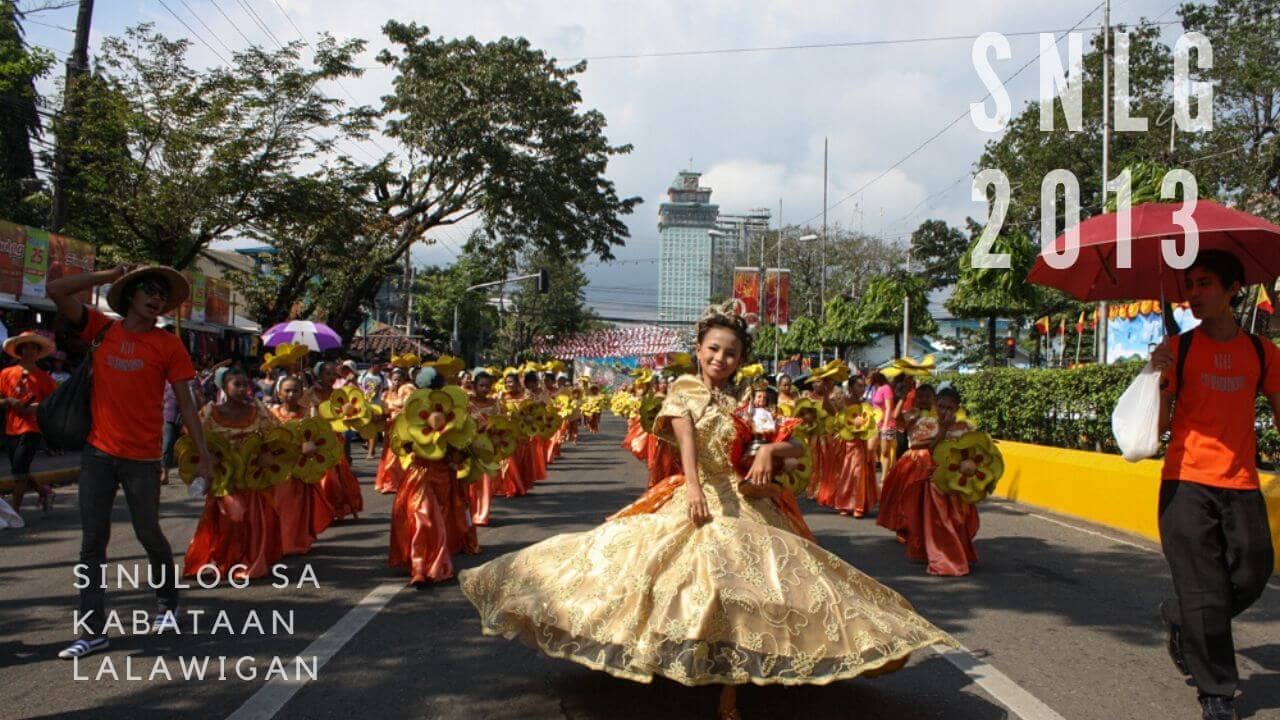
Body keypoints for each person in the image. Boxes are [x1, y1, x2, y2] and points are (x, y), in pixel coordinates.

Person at [459, 303, 956, 719]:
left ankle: (732, 685)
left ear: (740, 361)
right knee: (681, 581)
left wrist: (767, 452)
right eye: (713, 349)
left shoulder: (744, 405)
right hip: (696, 497)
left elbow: (796, 446)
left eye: (731, 352)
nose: (721, 357)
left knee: (752, 589)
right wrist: (694, 489)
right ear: (699, 350)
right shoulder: (685, 390)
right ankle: (695, 670)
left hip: (744, 500)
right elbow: (686, 438)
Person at [48, 265, 213, 661]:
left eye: (162, 294)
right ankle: (92, 631)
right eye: (148, 291)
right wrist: (107, 273)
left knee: (148, 534)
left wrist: (203, 455)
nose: (156, 299)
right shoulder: (101, 329)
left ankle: (168, 602)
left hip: (142, 458)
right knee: (92, 543)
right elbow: (56, 289)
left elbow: (186, 404)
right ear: (130, 296)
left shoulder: (169, 345)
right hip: (97, 453)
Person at [1149, 250, 1277, 720]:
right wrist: (1158, 375)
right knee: (1205, 589)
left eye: (1205, 284)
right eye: (1190, 286)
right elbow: (1158, 426)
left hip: (1241, 483)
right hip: (1185, 483)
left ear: (1232, 289)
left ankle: (1182, 617)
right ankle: (1216, 691)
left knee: (1253, 571)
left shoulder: (1263, 353)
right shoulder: (1180, 349)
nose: (1194, 294)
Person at [183, 367, 285, 580]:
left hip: (253, 478)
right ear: (223, 386)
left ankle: (250, 561)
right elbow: (193, 438)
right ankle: (223, 559)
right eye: (236, 384)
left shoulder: (259, 411)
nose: (241, 389)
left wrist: (265, 456)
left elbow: (276, 436)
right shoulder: (211, 412)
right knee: (231, 520)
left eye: (244, 384)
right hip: (225, 478)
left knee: (255, 521)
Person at [388, 367, 480, 585]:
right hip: (419, 475)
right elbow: (402, 442)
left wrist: (456, 449)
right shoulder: (410, 413)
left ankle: (429, 562)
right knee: (424, 517)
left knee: (436, 518)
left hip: (443, 475)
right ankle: (421, 567)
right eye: (426, 389)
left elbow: (462, 446)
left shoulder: (456, 412)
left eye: (433, 389)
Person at [876, 386, 979, 576]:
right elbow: (927, 447)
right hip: (935, 480)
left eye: (949, 408)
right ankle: (945, 559)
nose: (944, 411)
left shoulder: (966, 427)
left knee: (957, 519)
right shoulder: (928, 423)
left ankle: (957, 553)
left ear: (956, 408)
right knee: (939, 521)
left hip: (956, 480)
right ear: (935, 404)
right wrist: (944, 429)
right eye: (940, 406)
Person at [271, 375, 335, 554]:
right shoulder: (272, 414)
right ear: (279, 393)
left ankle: (294, 541)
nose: (291, 394)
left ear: (302, 393)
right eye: (287, 390)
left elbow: (316, 431)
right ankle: (279, 541)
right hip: (278, 467)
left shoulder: (307, 412)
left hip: (301, 467)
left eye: (295, 390)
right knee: (279, 505)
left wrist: (314, 406)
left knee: (297, 506)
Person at [1, 331, 58, 514]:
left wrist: (34, 407)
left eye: (34, 347)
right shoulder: (6, 374)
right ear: (20, 350)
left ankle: (14, 513)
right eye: (26, 347)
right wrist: (10, 402)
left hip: (32, 428)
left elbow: (51, 404)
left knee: (19, 474)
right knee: (20, 470)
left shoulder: (45, 378)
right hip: (11, 428)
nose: (30, 350)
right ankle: (44, 492)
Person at [309, 361, 364, 519]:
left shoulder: (336, 393)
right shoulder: (313, 392)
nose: (332, 377)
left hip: (336, 436)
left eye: (334, 374)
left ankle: (337, 507)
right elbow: (310, 416)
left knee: (341, 472)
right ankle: (325, 509)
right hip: (320, 438)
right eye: (328, 374)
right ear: (319, 375)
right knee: (328, 475)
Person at [466, 371, 501, 526]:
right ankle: (470, 512)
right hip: (468, 447)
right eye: (481, 385)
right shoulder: (466, 403)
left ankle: (482, 515)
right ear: (473, 386)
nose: (485, 389)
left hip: (487, 448)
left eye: (488, 386)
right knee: (469, 480)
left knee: (485, 481)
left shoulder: (495, 404)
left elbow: (501, 425)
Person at [374, 368, 413, 494]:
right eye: (394, 379)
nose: (397, 382)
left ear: (404, 380)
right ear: (391, 380)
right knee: (388, 456)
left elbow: (409, 405)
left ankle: (398, 482)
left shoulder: (408, 390)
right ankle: (388, 482)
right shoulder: (386, 394)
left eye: (399, 379)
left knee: (399, 456)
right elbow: (383, 409)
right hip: (389, 428)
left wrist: (393, 409)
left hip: (403, 429)